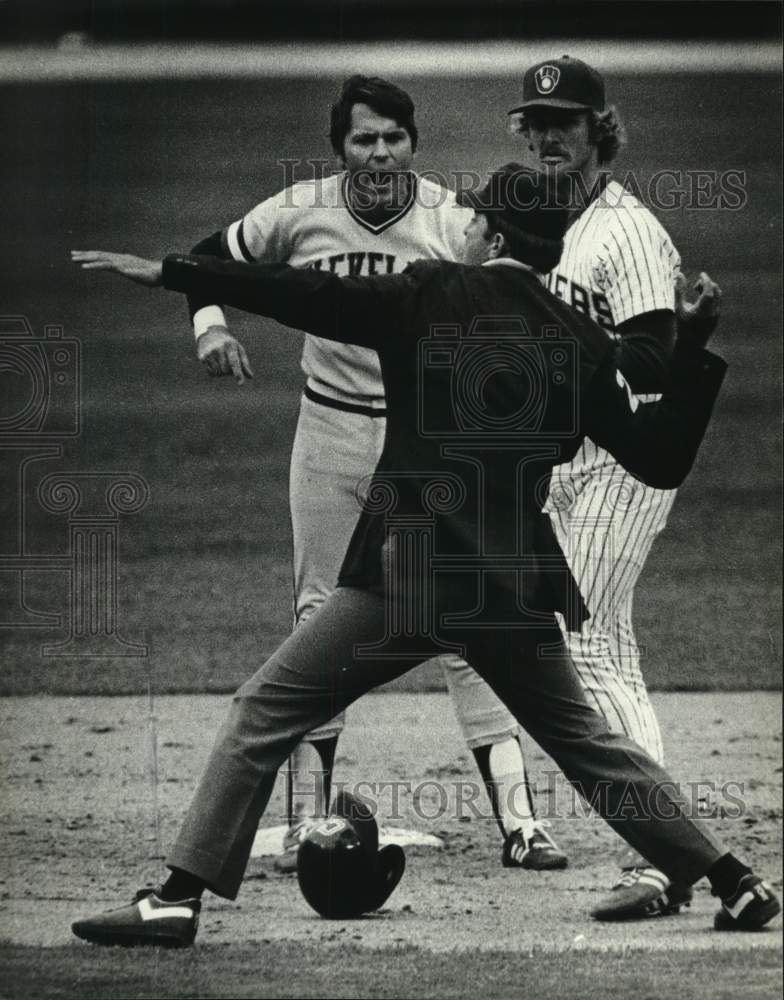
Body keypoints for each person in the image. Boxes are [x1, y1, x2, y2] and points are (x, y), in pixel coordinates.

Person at [69, 165, 779, 946]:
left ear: (496, 236)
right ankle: (736, 883)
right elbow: (658, 457)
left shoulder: (430, 290)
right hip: (506, 585)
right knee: (588, 743)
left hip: (408, 574)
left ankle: (175, 897)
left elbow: (304, 294)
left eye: (473, 218)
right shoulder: (580, 337)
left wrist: (180, 274)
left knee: (264, 710)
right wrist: (694, 347)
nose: (463, 227)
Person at [184, 74, 566, 871]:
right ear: (340, 147)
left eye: (394, 136)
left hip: (425, 450)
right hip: (327, 434)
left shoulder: (453, 220)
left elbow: (522, 301)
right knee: (319, 614)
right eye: (364, 138)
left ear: (413, 142)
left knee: (468, 624)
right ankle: (305, 819)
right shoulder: (297, 210)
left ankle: (522, 822)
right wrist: (210, 328)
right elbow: (207, 261)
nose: (381, 151)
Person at [460, 53, 710, 919]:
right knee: (610, 650)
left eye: (564, 124)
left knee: (589, 647)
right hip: (566, 468)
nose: (547, 138)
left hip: (624, 464)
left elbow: (648, 362)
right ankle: (673, 846)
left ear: (597, 129)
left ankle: (666, 858)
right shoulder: (537, 219)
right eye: (534, 125)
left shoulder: (626, 230)